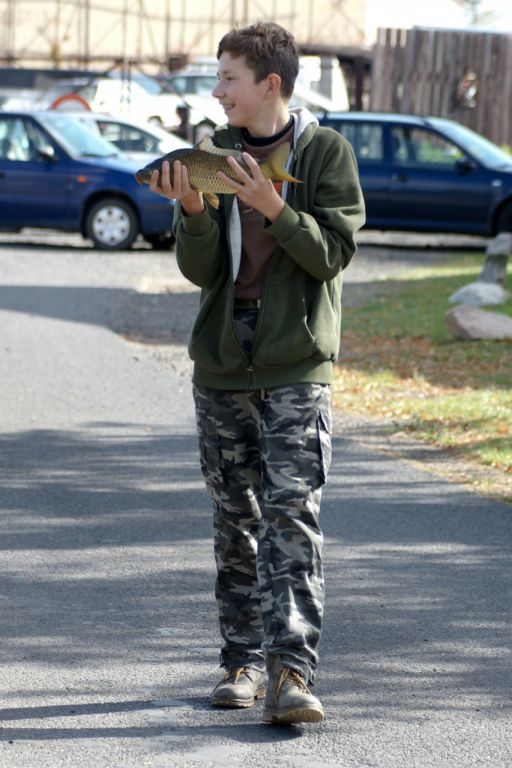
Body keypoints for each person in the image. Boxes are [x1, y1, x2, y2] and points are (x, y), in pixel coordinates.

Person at [149, 21, 365, 725]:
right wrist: (193, 209)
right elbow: (202, 272)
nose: (218, 91)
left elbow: (332, 255)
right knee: (234, 521)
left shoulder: (326, 152)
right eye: (217, 78)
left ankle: (291, 674)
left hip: (297, 363)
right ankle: (240, 662)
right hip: (221, 364)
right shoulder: (210, 154)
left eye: (228, 78)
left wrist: (274, 207)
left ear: (270, 83)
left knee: (290, 516)